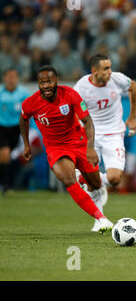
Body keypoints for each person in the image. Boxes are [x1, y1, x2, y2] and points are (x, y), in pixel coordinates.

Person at [19, 65, 114, 233]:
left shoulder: (70, 95)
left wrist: (90, 149)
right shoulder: (30, 103)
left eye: (49, 81)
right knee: (68, 178)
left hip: (78, 143)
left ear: (56, 81)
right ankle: (101, 218)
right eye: (42, 82)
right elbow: (24, 118)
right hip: (56, 148)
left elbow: (88, 122)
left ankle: (86, 180)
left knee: (96, 184)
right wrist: (26, 144)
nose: (46, 86)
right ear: (38, 84)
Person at [73, 54, 136, 229]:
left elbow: (133, 87)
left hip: (114, 134)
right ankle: (99, 219)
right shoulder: (81, 87)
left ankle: (98, 182)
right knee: (87, 179)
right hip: (91, 136)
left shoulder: (117, 80)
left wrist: (132, 117)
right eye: (106, 68)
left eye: (110, 67)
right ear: (94, 71)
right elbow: (74, 110)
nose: (110, 72)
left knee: (115, 178)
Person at [0, 68, 30, 195]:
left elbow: (29, 111)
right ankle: (6, 186)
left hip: (16, 129)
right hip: (1, 127)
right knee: (5, 154)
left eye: (14, 77)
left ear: (17, 79)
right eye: (9, 77)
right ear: (4, 78)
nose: (11, 79)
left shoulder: (23, 94)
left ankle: (7, 184)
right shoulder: (0, 92)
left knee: (7, 157)